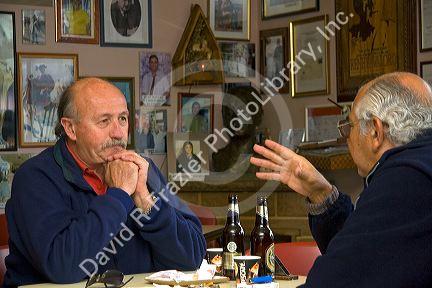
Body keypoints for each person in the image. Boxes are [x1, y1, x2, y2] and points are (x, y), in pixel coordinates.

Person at [3, 78, 206, 287]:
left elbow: (193, 258)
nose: (118, 133)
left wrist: (146, 202)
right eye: (104, 121)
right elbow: (62, 266)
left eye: (123, 119)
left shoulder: (142, 169)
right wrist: (119, 194)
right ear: (70, 128)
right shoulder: (35, 177)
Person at [250, 72, 432, 287]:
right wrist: (322, 194)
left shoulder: (405, 180)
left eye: (349, 127)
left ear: (375, 131)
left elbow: (336, 279)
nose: (347, 137)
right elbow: (367, 252)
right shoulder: (419, 165)